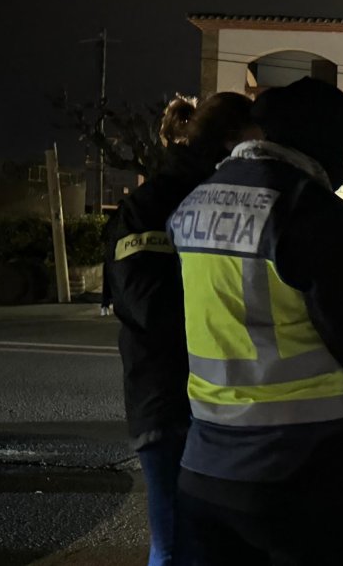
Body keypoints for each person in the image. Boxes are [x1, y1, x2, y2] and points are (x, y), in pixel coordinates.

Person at [169, 78, 343, 566]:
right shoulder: (311, 209)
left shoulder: (199, 198)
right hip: (300, 475)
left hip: (205, 468)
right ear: (324, 139)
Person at [106, 91, 259, 566]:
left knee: (217, 546)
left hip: (218, 403)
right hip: (170, 403)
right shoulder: (153, 205)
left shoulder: (216, 193)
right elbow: (150, 307)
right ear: (234, 140)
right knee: (175, 546)